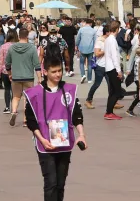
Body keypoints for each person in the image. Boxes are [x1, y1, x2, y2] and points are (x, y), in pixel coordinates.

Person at [24, 53, 86, 201]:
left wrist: (81, 134)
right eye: (54, 71)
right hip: (45, 143)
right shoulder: (35, 93)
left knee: (60, 184)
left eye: (60, 71)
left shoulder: (69, 90)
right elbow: (31, 121)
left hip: (64, 143)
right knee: (51, 182)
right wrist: (41, 139)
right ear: (45, 72)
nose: (58, 74)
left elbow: (76, 114)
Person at [6, 28, 40, 127]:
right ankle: (26, 119)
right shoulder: (32, 48)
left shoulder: (12, 48)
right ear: (28, 36)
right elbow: (37, 64)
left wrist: (9, 73)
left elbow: (7, 63)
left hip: (16, 76)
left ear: (18, 35)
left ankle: (14, 112)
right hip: (28, 77)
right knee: (27, 98)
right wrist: (39, 78)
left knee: (16, 97)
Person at [102, 21, 125, 120]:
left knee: (112, 91)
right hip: (113, 68)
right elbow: (114, 56)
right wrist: (119, 70)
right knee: (117, 92)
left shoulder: (107, 39)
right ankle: (109, 112)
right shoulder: (112, 40)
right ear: (117, 29)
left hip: (108, 67)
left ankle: (109, 111)